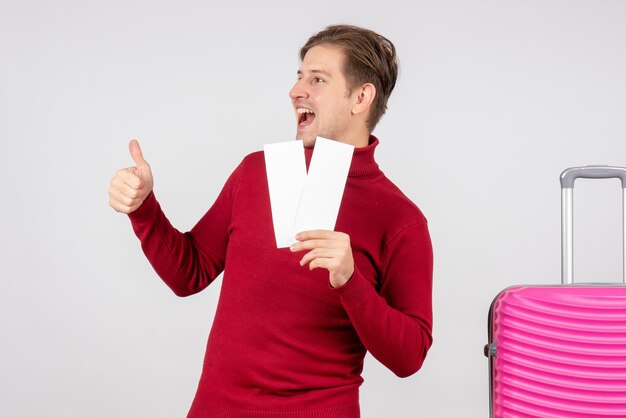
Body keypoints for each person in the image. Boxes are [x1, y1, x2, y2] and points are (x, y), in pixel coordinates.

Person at [108, 24, 433, 418]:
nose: (296, 91)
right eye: (299, 77)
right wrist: (143, 207)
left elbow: (409, 356)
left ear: (361, 97)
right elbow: (188, 273)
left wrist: (351, 281)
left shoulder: (401, 219)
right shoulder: (254, 172)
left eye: (318, 79)